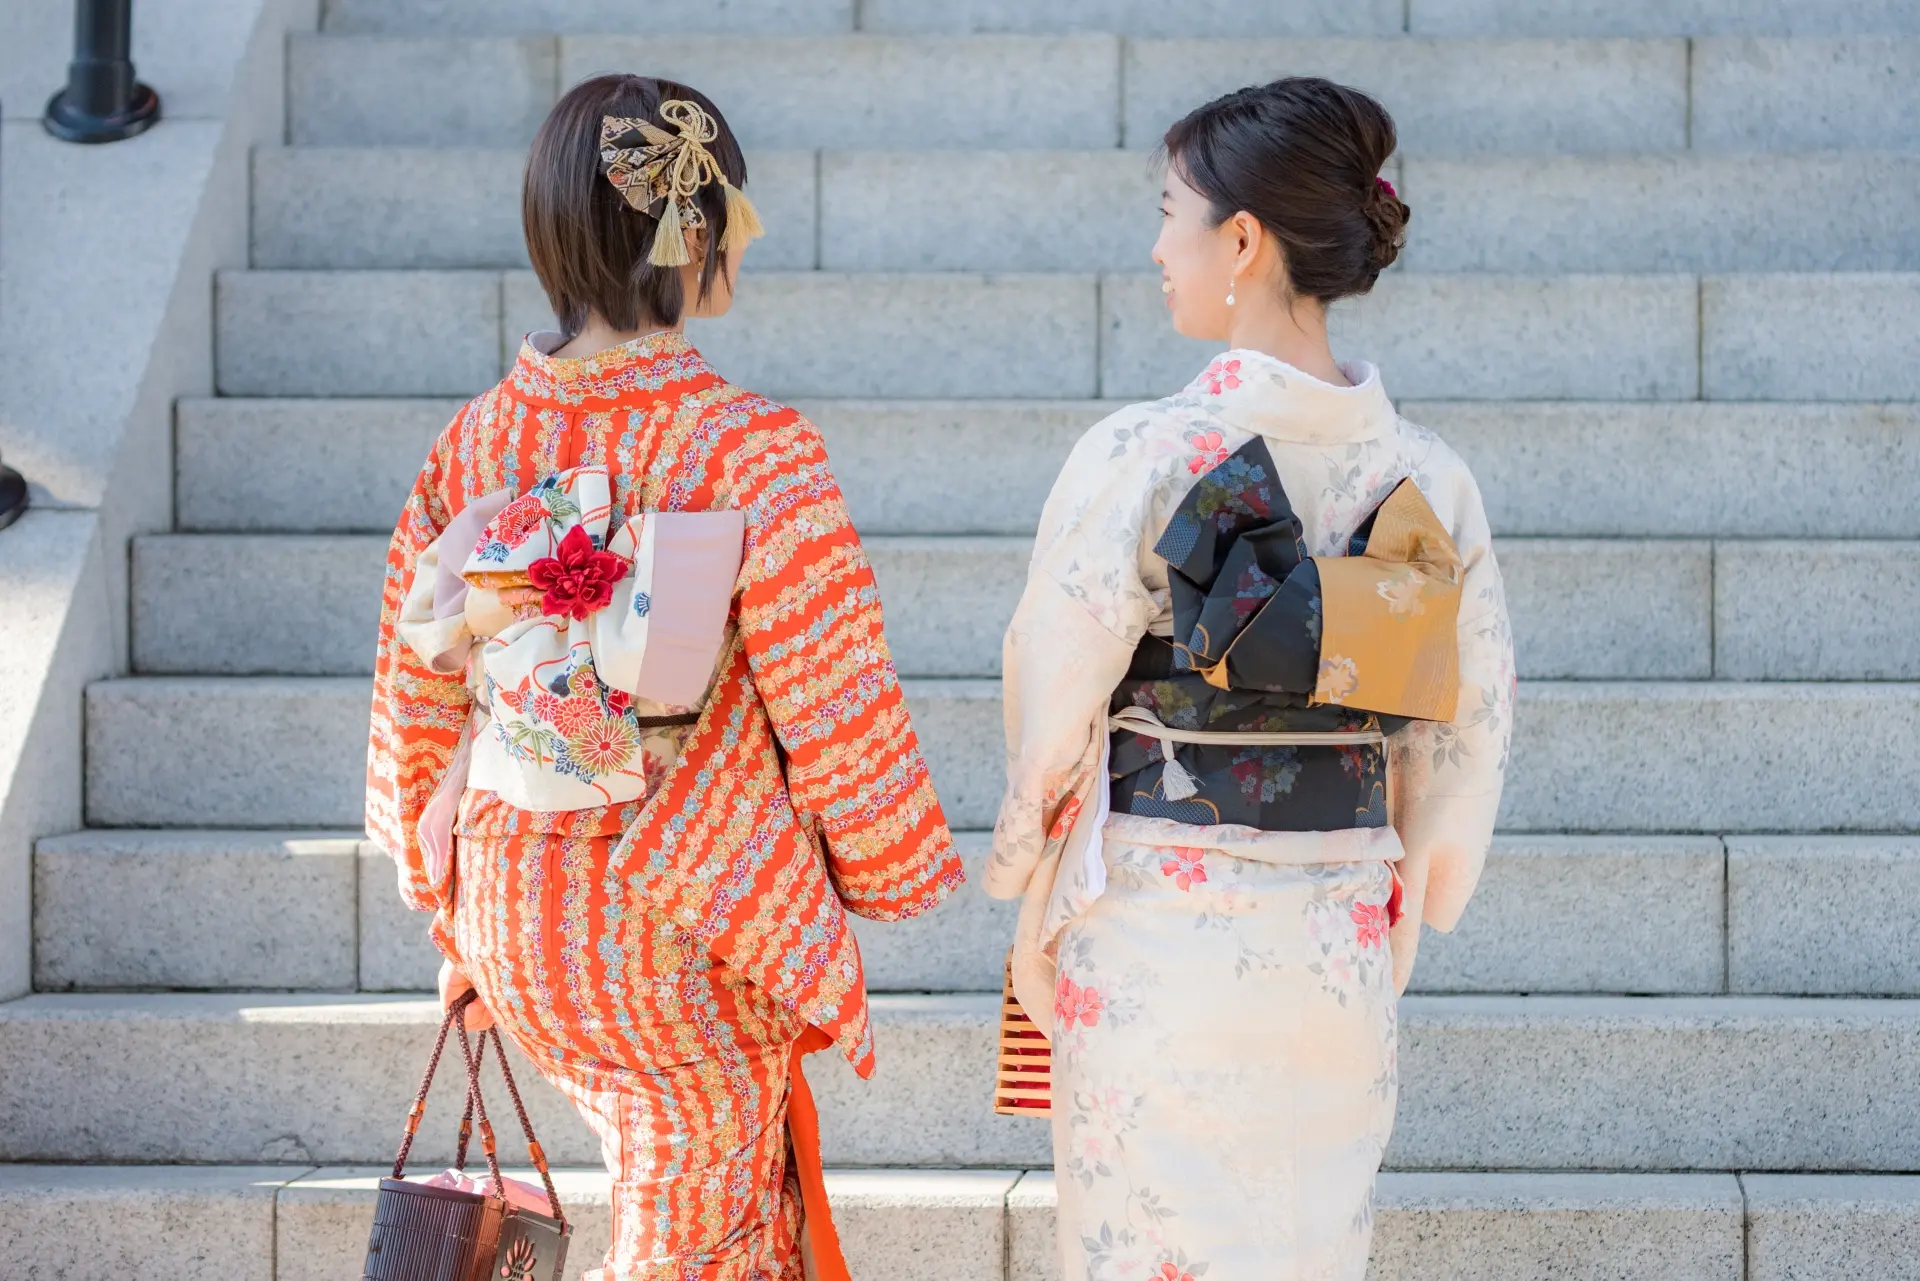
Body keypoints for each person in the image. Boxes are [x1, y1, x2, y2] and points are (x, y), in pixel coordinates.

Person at [366, 74, 962, 1281]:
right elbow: (835, 702)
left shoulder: (475, 441)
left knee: (686, 1204)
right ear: (692, 233)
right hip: (677, 915)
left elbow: (416, 702)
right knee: (696, 1239)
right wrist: (895, 868)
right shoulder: (750, 448)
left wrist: (453, 905)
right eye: (729, 216)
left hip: (516, 901)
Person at [987, 78, 1515, 1280]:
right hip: (1334, 936)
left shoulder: (1144, 453)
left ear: (1240, 240)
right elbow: (1467, 726)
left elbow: (1056, 696)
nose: (1156, 246)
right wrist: (1410, 874)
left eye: (1169, 212)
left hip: (1162, 934)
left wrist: (1025, 859)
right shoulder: (1432, 479)